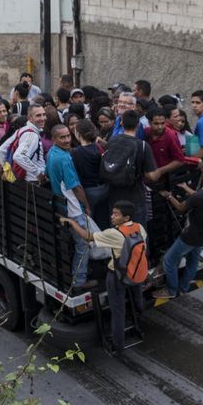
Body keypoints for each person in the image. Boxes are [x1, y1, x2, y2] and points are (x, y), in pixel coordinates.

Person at [61, 200, 147, 356]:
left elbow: (87, 237)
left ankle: (118, 345)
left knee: (117, 310)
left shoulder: (115, 233)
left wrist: (72, 223)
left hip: (117, 276)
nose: (112, 216)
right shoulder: (139, 228)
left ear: (126, 217)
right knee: (137, 296)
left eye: (116, 214)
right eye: (112, 213)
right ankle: (140, 315)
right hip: (136, 272)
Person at [153, 158, 203, 299]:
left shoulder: (198, 197)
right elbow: (200, 197)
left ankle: (171, 290)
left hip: (190, 236)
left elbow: (180, 208)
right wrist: (186, 188)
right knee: (193, 261)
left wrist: (169, 196)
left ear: (202, 170)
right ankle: (184, 287)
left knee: (169, 260)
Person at [47, 124, 94, 292]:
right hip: (73, 209)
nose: (67, 140)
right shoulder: (64, 159)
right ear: (54, 139)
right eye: (62, 137)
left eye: (68, 136)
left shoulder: (52, 153)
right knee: (83, 244)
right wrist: (86, 206)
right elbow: (76, 187)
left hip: (61, 207)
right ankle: (79, 281)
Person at [104, 110, 160, 225]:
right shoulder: (143, 146)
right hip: (135, 198)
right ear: (138, 125)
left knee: (117, 234)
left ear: (121, 124)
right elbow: (153, 176)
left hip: (114, 197)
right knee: (137, 234)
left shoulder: (111, 141)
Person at [72, 119, 108, 229]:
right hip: (104, 188)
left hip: (89, 191)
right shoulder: (98, 147)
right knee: (104, 221)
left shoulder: (76, 152)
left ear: (78, 133)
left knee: (91, 224)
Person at [146, 107, 187, 177]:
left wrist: (160, 171)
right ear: (149, 123)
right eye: (156, 124)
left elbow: (180, 160)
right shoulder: (145, 133)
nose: (160, 127)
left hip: (165, 178)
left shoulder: (170, 136)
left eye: (162, 123)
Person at [12, 103, 47, 183]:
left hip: (27, 181)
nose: (43, 118)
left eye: (44, 114)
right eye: (38, 115)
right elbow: (18, 156)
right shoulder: (32, 135)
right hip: (33, 182)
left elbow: (2, 150)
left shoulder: (22, 129)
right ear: (30, 118)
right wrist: (38, 173)